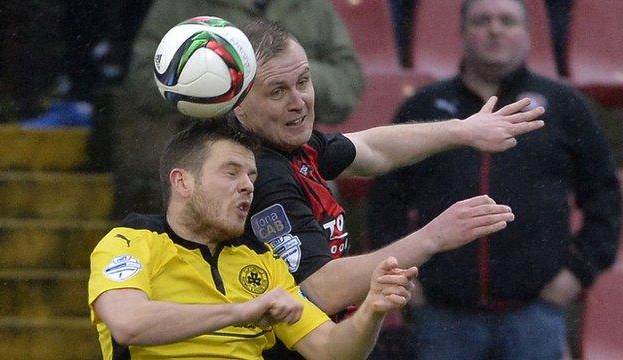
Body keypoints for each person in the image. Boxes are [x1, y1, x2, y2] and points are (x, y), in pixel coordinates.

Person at [231, 18, 545, 357]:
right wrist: (434, 236)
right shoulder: (258, 174)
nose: (299, 102)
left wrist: (462, 130)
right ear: (238, 102)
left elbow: (371, 149)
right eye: (278, 91)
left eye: (304, 82)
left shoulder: (290, 146)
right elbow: (322, 288)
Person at [366, 0, 622, 359]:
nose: (495, 29)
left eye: (507, 20)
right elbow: (385, 201)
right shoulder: (423, 108)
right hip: (440, 317)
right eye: (481, 20)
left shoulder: (565, 106)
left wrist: (577, 273)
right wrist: (409, 279)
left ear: (529, 35)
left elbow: (604, 198)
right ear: (462, 33)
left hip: (536, 314)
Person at [88, 118, 416, 359]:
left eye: (251, 176)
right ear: (182, 182)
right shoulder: (132, 241)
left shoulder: (263, 259)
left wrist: (372, 311)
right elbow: (128, 323)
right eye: (231, 172)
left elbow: (329, 350)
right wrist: (242, 311)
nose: (247, 185)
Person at [111, 0, 365, 217]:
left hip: (293, 152)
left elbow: (351, 82)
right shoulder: (180, 5)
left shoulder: (313, 6)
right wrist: (211, 84)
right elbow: (143, 79)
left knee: (327, 196)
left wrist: (286, 76)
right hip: (208, 148)